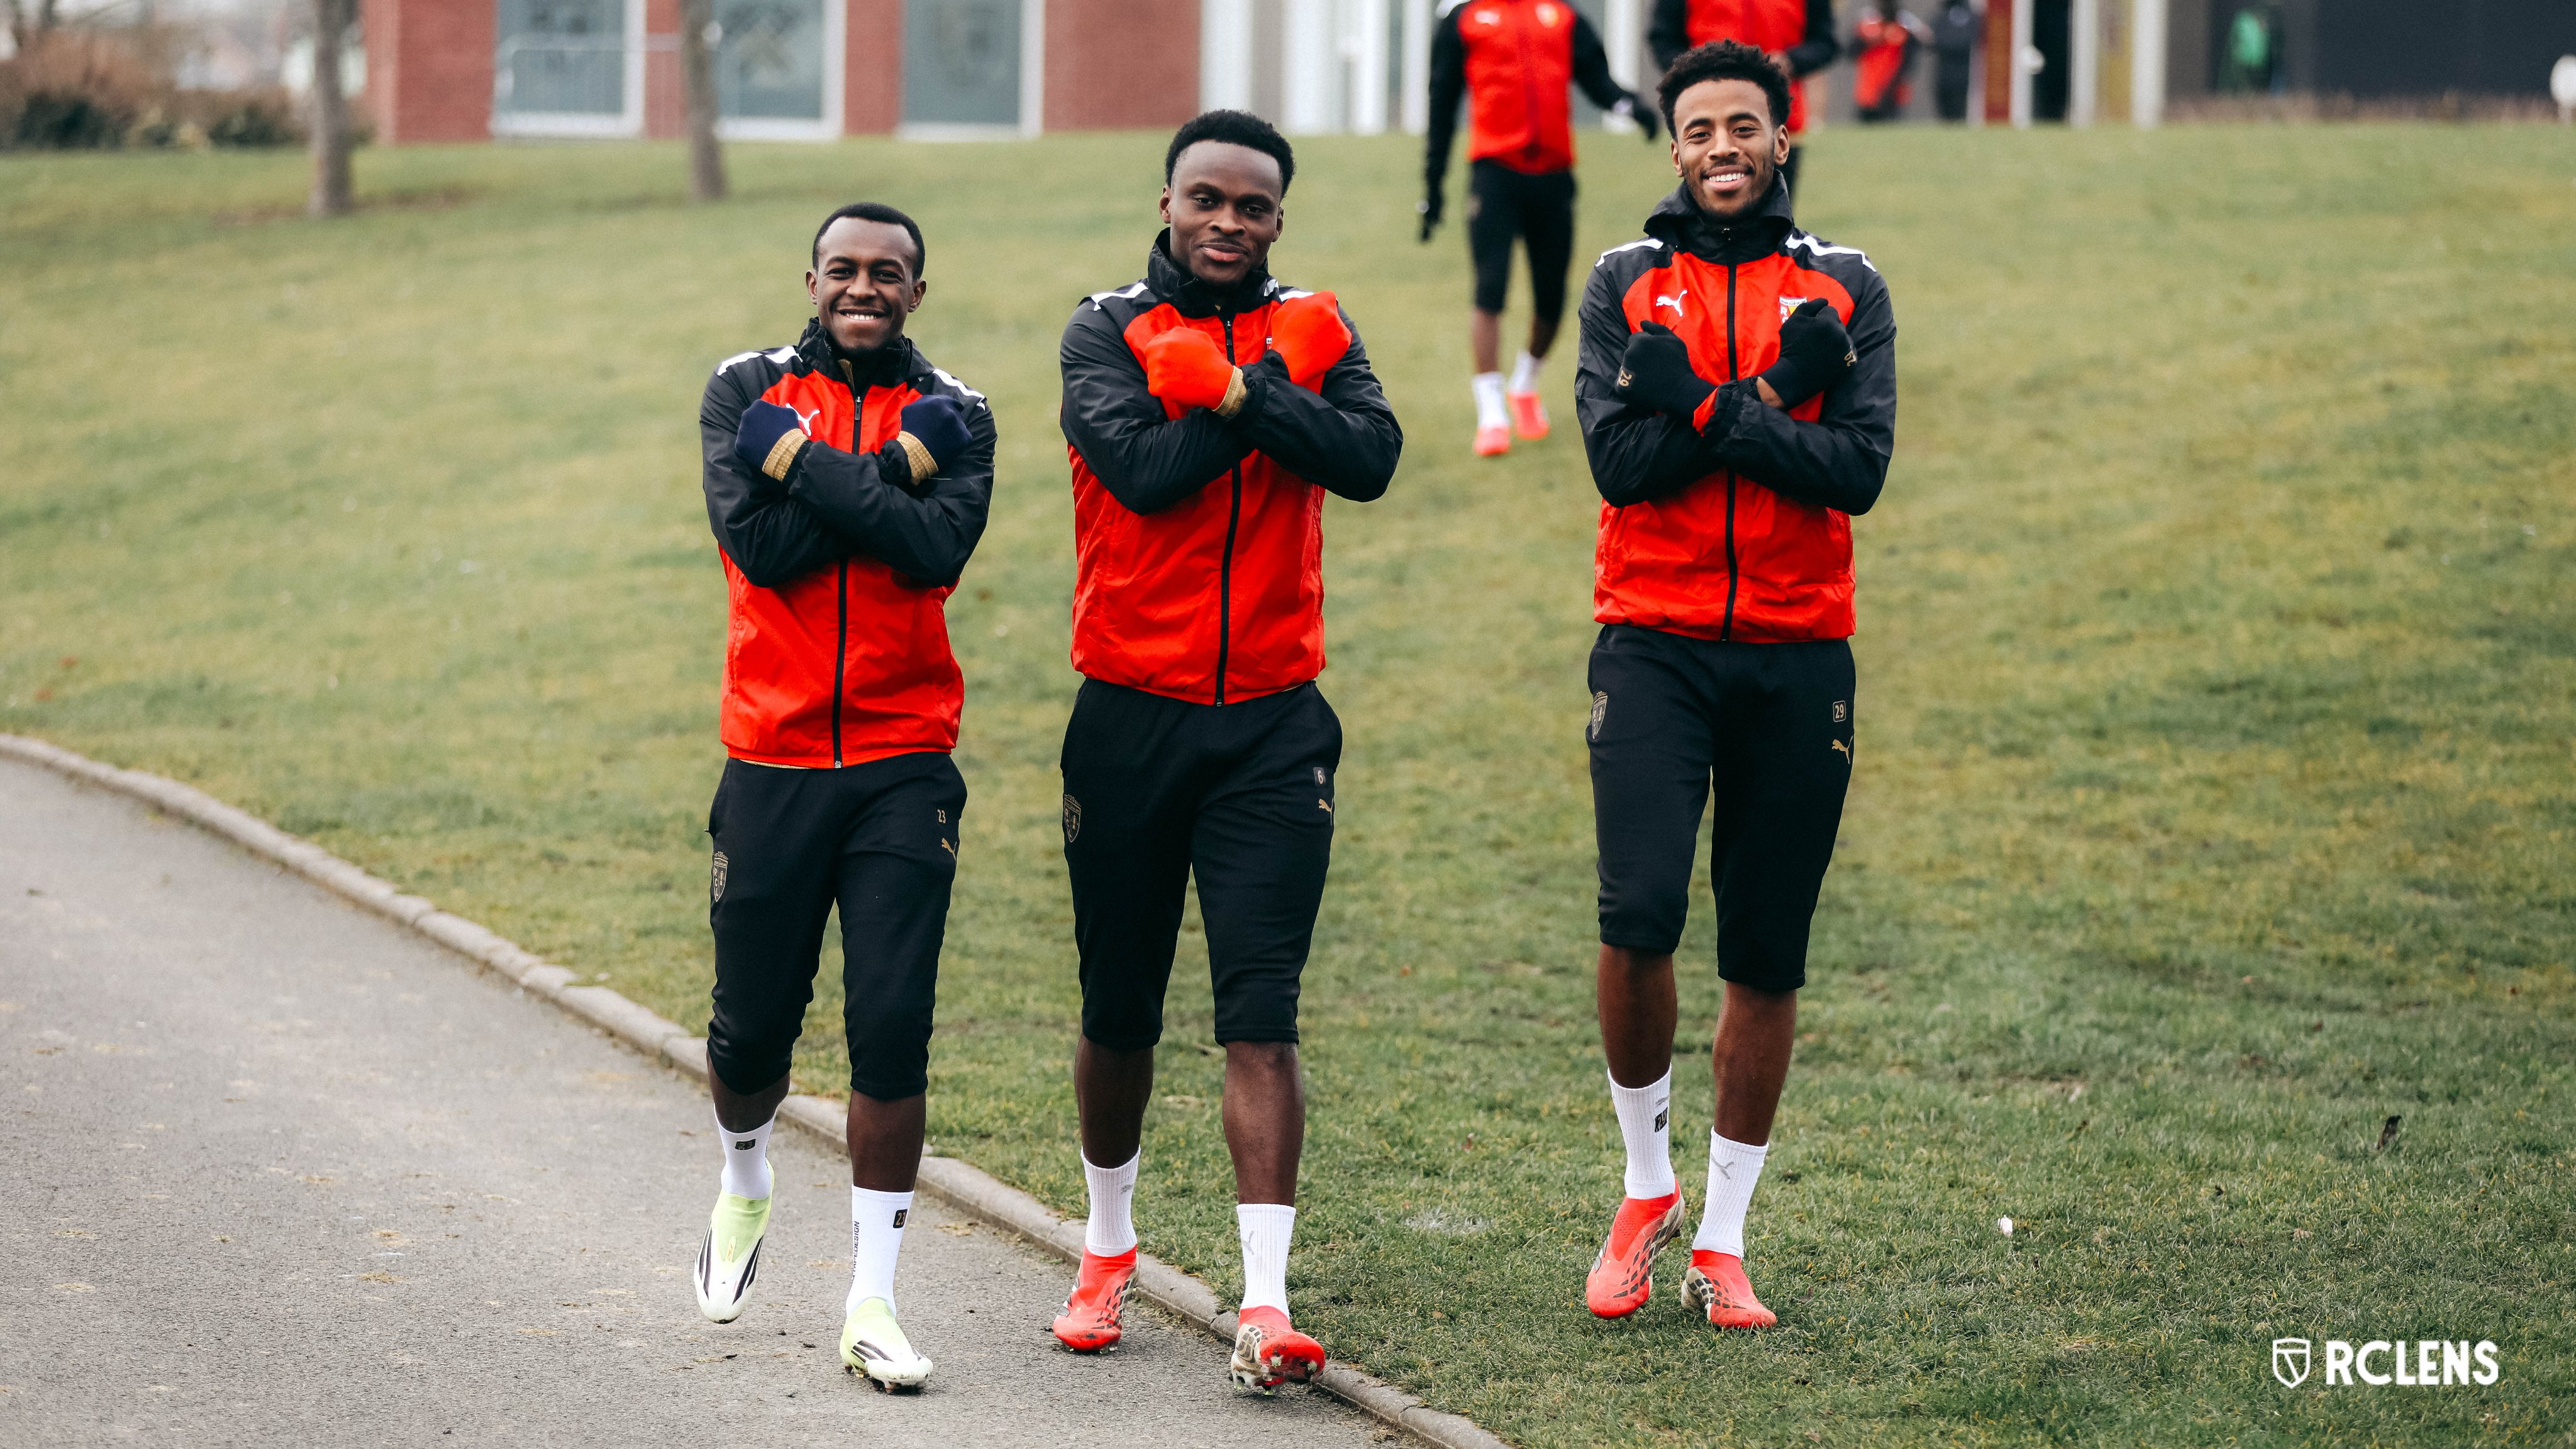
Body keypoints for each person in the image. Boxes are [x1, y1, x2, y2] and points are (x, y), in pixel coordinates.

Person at [1049, 109, 1401, 1392]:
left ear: (1277, 220)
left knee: (1261, 1010)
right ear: (1167, 202)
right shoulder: (1105, 327)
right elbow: (1142, 472)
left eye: (1252, 206)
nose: (1227, 222)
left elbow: (1370, 458)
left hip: (1273, 722)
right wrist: (1262, 400)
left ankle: (1264, 1302)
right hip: (1128, 718)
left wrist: (1243, 387)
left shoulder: (1317, 325)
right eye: (1207, 198)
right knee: (1119, 1008)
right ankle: (1105, 1250)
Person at [1571, 40, 1894, 1330]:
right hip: (1649, 639)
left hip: (1798, 648)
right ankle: (1644, 1186)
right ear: (1673, 146)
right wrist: (1774, 400)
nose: (1721, 147)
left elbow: (1855, 472)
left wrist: (1710, 406)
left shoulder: (1846, 286)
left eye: (1742, 126)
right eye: (1699, 129)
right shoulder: (1622, 280)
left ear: (1779, 137)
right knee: (1638, 913)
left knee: (1765, 948)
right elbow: (1619, 466)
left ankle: (1720, 1236)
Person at [691, 201, 997, 1390]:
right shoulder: (741, 390)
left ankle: (872, 1298)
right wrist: (893, 473)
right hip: (770, 758)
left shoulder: (961, 410)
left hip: (902, 760)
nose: (863, 286)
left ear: (918, 290)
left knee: (892, 1021)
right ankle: (745, 1175)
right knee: (749, 1029)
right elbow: (763, 554)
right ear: (810, 280)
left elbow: (933, 554)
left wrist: (803, 465)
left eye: (888, 271)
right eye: (843, 268)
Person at [1423, 0, 1660, 458]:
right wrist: (1433, 184)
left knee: (1552, 296)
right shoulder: (1465, 17)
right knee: (1490, 287)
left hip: (1553, 174)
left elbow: (1596, 79)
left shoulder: (1561, 15)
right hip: (1495, 172)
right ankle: (1491, 411)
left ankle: (1525, 383)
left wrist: (1631, 105)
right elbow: (1443, 99)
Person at [1650, 0, 1838, 199]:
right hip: (1706, 121)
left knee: (1775, 210)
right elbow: (1664, 40)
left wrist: (1791, 61)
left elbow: (1824, 42)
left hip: (1778, 120)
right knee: (1707, 207)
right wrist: (1699, 70)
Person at [1852, 4, 1928, 122]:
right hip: (1869, 90)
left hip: (1894, 90)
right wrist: (1873, 37)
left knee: (1891, 125)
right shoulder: (1869, 26)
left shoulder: (1905, 26)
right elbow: (1851, 52)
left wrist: (1912, 27)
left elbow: (1922, 45)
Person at [1930, 0, 1980, 122]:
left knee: (1960, 113)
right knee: (1946, 113)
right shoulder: (1942, 18)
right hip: (1945, 74)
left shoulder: (1971, 18)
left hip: (1963, 74)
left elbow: (1966, 41)